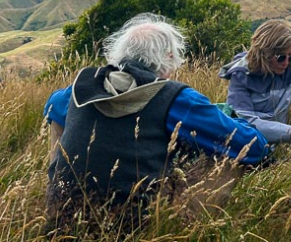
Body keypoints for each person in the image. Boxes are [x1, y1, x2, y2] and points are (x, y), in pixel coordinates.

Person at [44, 13, 270, 232]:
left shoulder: (81, 88)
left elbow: (52, 106)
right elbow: (253, 146)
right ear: (169, 57)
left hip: (64, 220)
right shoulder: (175, 98)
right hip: (136, 227)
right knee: (234, 157)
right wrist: (236, 120)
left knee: (57, 120)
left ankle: (55, 195)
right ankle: (186, 229)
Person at [219, 20, 291, 144]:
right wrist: (290, 132)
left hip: (281, 142)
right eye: (281, 57)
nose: (287, 63)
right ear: (264, 54)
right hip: (248, 143)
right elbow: (242, 123)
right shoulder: (241, 74)